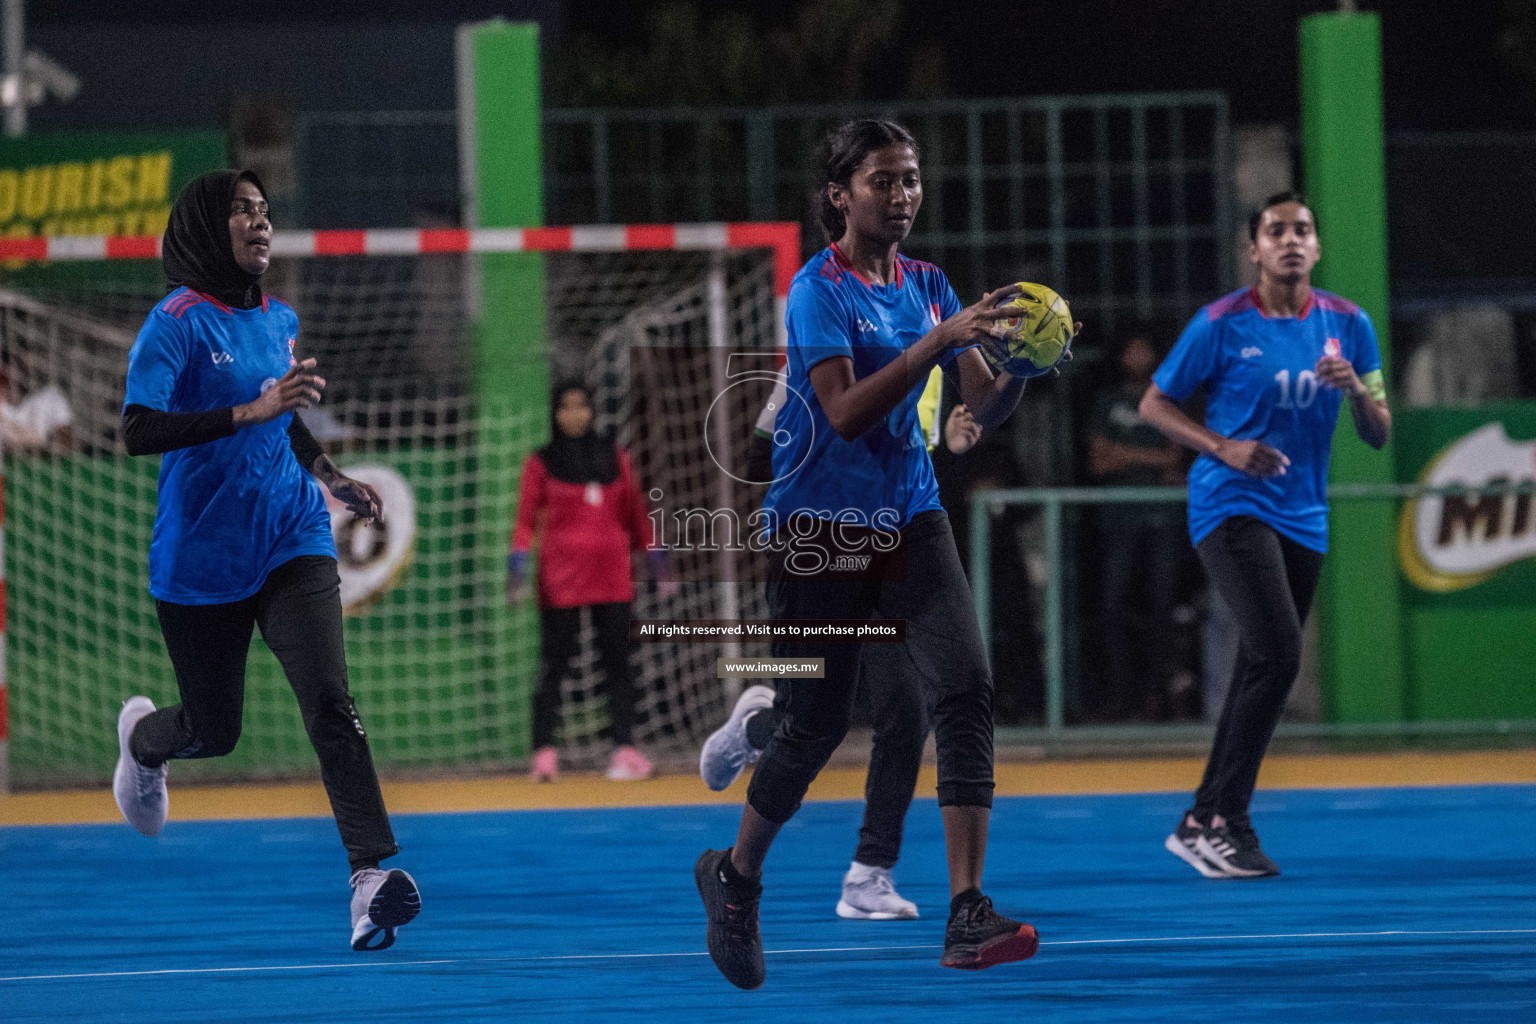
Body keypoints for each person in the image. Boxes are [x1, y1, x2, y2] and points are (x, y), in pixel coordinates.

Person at [695, 119, 1055, 990]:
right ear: (840, 194)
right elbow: (845, 410)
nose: (902, 197)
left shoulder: (931, 283)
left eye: (912, 180)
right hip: (820, 532)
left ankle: (967, 911)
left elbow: (980, 401)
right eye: (884, 182)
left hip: (913, 517)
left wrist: (1018, 365)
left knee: (964, 689)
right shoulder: (818, 291)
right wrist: (938, 342)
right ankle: (736, 880)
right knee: (815, 728)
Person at [111, 170, 421, 951]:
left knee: (329, 699)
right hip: (200, 559)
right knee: (213, 732)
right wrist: (247, 409)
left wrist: (331, 477)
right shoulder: (174, 323)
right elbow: (137, 428)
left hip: (291, 535)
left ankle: (369, 878)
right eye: (242, 210)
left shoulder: (279, 317)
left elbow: (284, 424)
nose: (261, 221)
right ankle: (145, 743)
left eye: (266, 210)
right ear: (205, 228)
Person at [1138, 190, 1391, 878]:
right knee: (1278, 652)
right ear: (1254, 248)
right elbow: (1153, 403)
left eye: (1301, 229)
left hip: (1303, 514)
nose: (1290, 240)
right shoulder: (1220, 324)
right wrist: (1222, 447)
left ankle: (1201, 820)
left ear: (1316, 246)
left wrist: (1358, 394)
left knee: (1264, 664)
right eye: (1275, 230)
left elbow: (1378, 433)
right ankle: (1226, 818)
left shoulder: (1349, 325)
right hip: (1229, 502)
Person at [701, 367, 981, 922]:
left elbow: (918, 473)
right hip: (827, 549)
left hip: (898, 548)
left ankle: (869, 871)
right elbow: (761, 461)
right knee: (818, 722)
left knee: (907, 706)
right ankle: (756, 728)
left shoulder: (926, 355)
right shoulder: (812, 359)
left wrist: (949, 449)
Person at [508, 383, 672, 782]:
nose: (575, 415)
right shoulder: (540, 462)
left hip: (614, 576)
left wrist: (658, 562)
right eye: (566, 407)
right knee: (555, 665)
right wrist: (517, 573)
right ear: (555, 413)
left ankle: (624, 750)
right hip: (559, 579)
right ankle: (544, 754)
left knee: (618, 663)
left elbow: (638, 513)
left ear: (593, 411)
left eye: (582, 406)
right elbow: (525, 521)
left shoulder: (617, 457)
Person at [1084, 328, 1187, 720]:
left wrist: (1122, 453)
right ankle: (1120, 697)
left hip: (1162, 518)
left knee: (1162, 608)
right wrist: (1150, 456)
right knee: (1114, 607)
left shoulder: (1165, 399)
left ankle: (1156, 697)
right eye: (1133, 348)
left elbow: (1174, 459)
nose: (1139, 356)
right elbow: (1097, 463)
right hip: (1118, 519)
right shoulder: (1108, 402)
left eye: (1146, 348)